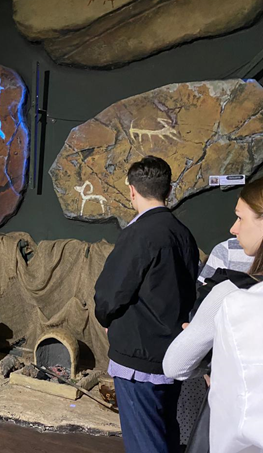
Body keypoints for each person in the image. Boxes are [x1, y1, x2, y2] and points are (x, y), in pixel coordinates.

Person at [94, 156, 199, 453]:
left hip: (138, 361)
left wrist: (106, 319)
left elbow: (109, 294)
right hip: (173, 356)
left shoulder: (138, 233)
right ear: (168, 190)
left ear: (132, 191)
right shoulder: (184, 234)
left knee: (145, 444)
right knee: (164, 435)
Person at [164, 178, 263, 453]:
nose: (233, 228)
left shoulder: (229, 295)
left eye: (240, 218)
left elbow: (175, 365)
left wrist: (213, 358)